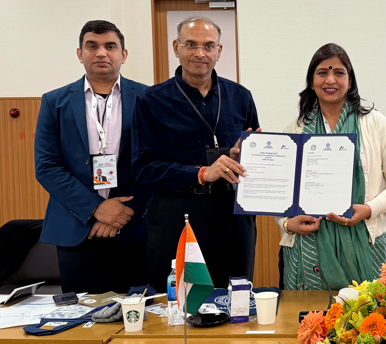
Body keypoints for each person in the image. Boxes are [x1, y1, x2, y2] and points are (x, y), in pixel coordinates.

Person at [133, 16, 260, 291]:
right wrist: (201, 173)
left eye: (208, 46)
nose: (200, 53)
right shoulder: (151, 101)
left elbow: (253, 155)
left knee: (234, 301)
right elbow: (144, 167)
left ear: (219, 51)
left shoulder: (241, 97)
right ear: (176, 47)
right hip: (177, 218)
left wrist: (246, 157)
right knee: (178, 304)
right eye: (191, 44)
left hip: (232, 220)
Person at [275, 43, 386, 290]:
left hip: (365, 242)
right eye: (322, 73)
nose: (330, 80)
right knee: (309, 314)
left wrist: (370, 209)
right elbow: (280, 189)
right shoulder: (296, 129)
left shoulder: (375, 123)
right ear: (312, 81)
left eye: (339, 73)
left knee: (368, 310)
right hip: (307, 247)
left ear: (350, 81)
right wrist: (286, 223)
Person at [35, 20, 151, 293]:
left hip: (134, 227)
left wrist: (123, 212)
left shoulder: (149, 98)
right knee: (81, 313)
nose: (101, 53)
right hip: (77, 227)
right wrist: (96, 208)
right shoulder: (55, 101)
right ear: (80, 54)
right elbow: (47, 166)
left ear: (123, 54)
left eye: (110, 46)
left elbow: (156, 162)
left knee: (138, 312)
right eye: (92, 46)